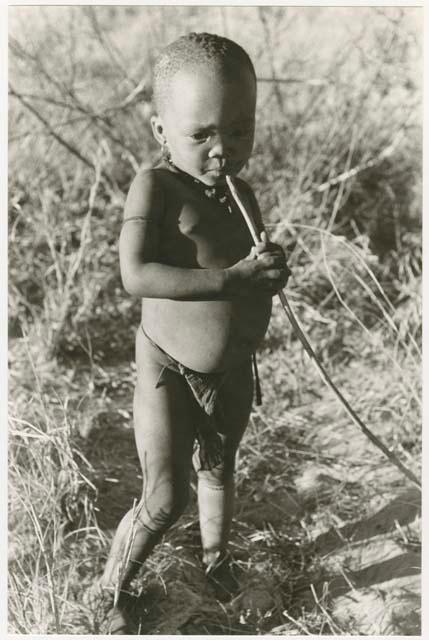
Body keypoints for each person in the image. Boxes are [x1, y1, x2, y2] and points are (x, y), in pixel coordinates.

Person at [95, 32, 290, 633]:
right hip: (169, 367)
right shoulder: (155, 189)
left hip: (230, 369)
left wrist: (270, 274)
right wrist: (234, 279)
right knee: (165, 497)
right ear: (160, 131)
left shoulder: (244, 195)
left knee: (220, 468)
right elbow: (135, 274)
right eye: (201, 134)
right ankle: (108, 591)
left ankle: (216, 563)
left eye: (237, 131)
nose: (222, 150)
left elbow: (247, 275)